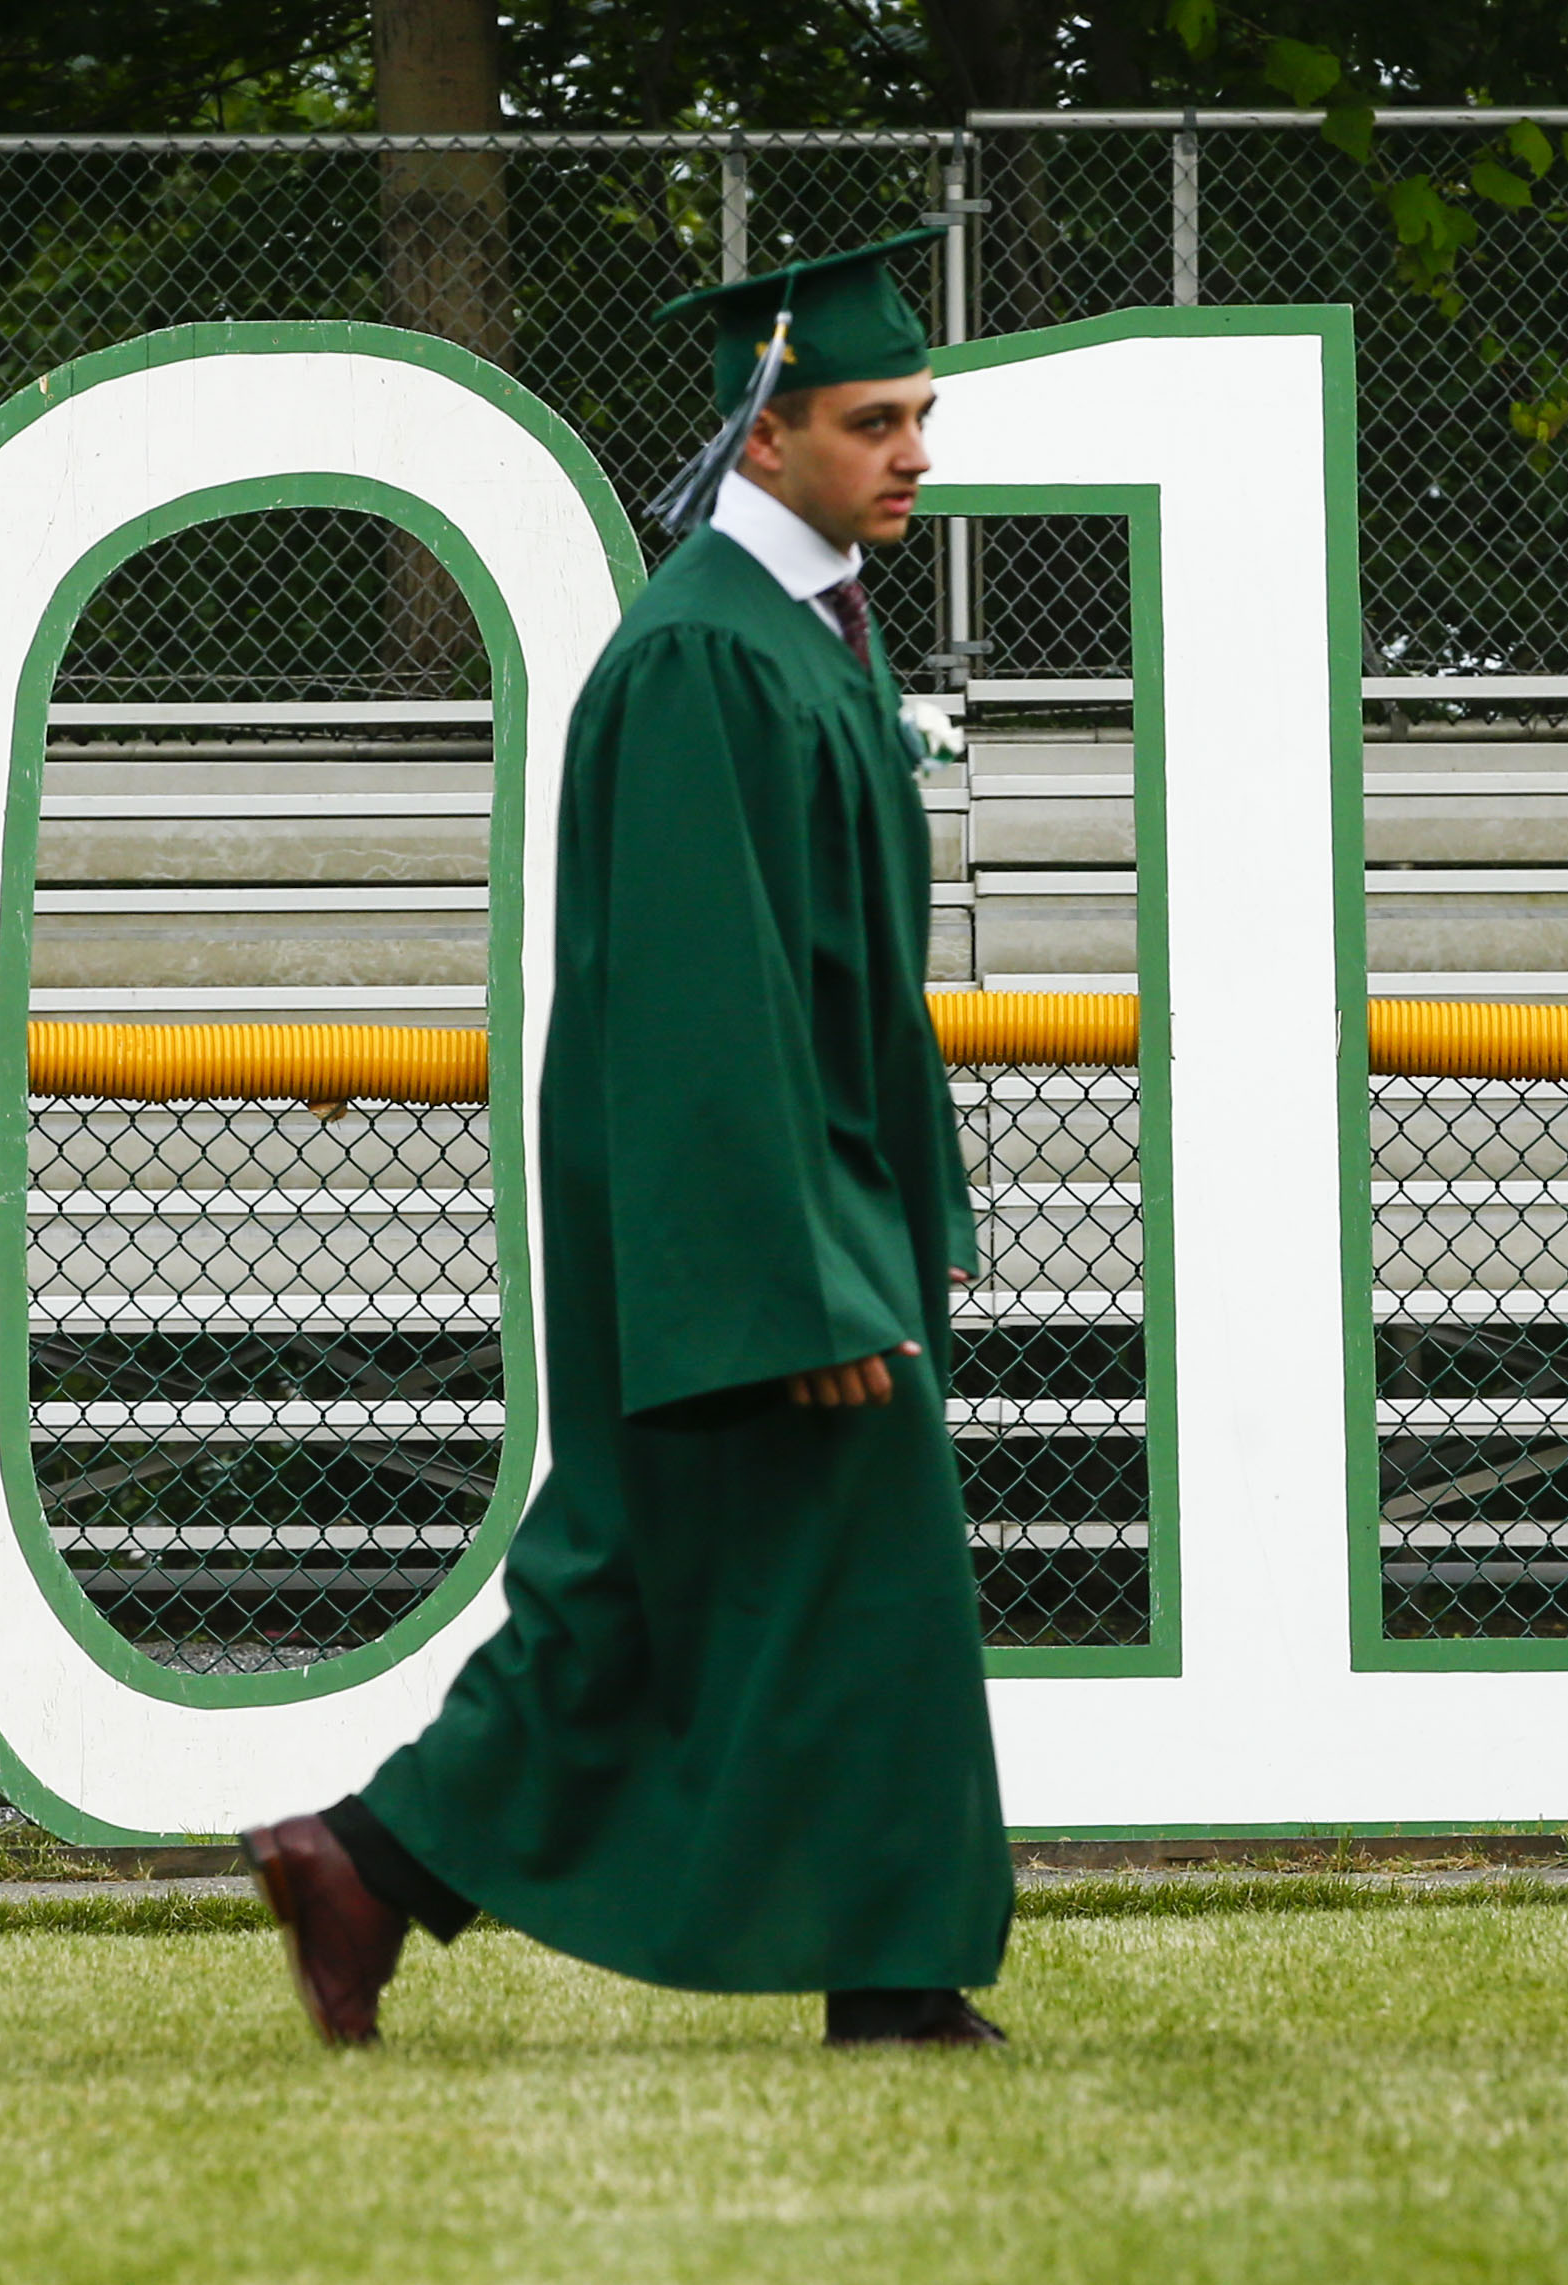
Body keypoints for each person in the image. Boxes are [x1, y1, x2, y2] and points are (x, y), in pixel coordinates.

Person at [238, 228, 1015, 2051]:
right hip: (747, 1237)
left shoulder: (802, 636)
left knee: (701, 1582)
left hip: (810, 1216)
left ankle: (371, 1872)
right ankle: (382, 1867)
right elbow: (700, 1007)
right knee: (685, 1575)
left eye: (919, 416)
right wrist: (797, 1278)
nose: (913, 453)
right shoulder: (702, 661)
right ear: (764, 435)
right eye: (872, 421)